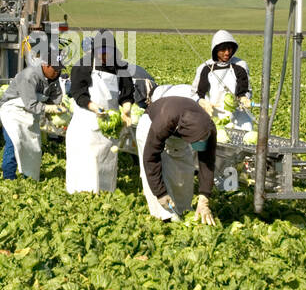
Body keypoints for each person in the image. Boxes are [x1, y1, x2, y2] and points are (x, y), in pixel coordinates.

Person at [65, 29, 135, 193]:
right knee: (86, 163)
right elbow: (78, 93)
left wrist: (126, 110)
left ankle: (104, 193)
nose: (104, 56)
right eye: (101, 52)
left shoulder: (120, 67)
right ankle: (81, 193)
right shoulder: (83, 66)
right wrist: (94, 107)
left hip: (108, 127)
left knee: (106, 162)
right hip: (86, 124)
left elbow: (127, 94)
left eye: (108, 52)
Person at [138, 87, 218, 225]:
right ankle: (165, 217)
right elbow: (150, 158)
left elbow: (207, 162)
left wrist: (204, 198)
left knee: (184, 171)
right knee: (157, 172)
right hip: (152, 123)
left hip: (178, 128)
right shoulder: (164, 120)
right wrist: (160, 193)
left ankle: (183, 210)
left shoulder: (209, 128)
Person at [0, 51, 65, 180]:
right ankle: (8, 178)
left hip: (31, 114)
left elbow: (56, 98)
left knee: (33, 147)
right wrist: (48, 108)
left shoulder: (54, 79)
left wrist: (58, 116)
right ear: (45, 65)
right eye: (55, 69)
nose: (57, 72)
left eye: (59, 69)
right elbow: (30, 104)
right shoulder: (28, 76)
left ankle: (29, 178)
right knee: (15, 143)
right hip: (13, 112)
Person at [194, 29, 251, 115]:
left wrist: (244, 98)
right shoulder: (205, 68)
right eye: (223, 50)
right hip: (212, 112)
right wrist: (201, 101)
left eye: (229, 49)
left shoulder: (240, 66)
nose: (227, 53)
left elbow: (245, 90)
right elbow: (196, 93)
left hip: (237, 113)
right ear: (215, 50)